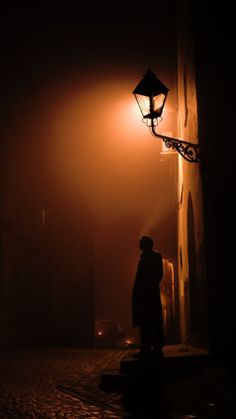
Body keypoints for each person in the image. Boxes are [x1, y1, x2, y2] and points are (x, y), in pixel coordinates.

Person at [132, 235, 164, 357]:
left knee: (151, 320)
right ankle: (148, 347)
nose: (139, 246)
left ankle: (153, 347)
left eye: (141, 243)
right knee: (146, 322)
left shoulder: (154, 257)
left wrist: (147, 286)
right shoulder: (145, 259)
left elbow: (158, 275)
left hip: (148, 294)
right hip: (146, 294)